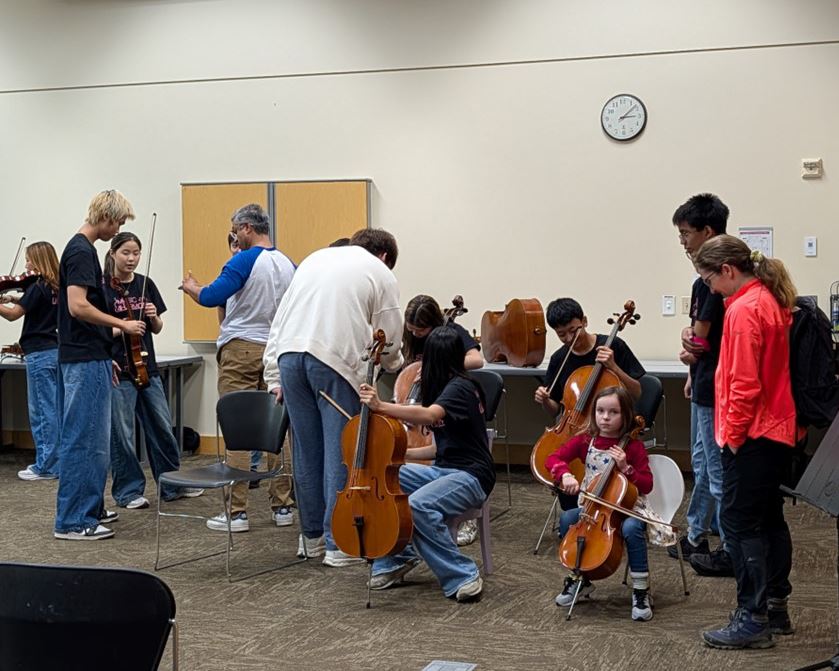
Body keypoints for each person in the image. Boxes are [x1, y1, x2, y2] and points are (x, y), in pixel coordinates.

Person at [263, 228, 403, 567]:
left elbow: (279, 322)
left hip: (289, 358)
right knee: (342, 452)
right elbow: (392, 337)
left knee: (306, 451)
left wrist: (273, 376)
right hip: (333, 361)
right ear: (384, 256)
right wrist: (394, 364)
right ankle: (338, 543)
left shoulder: (314, 258)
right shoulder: (379, 271)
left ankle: (310, 538)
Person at [695, 235, 798, 650]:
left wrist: (733, 439)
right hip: (776, 431)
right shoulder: (768, 300)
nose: (710, 290)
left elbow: (743, 384)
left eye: (709, 280)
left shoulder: (743, 309)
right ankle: (775, 607)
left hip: (752, 433)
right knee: (769, 518)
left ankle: (752, 619)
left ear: (728, 271)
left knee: (738, 524)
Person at [181, 203, 296, 532]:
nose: (234, 236)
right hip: (276, 350)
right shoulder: (288, 263)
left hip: (241, 350)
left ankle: (237, 513)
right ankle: (283, 507)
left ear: (247, 228)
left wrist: (192, 289)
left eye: (235, 230)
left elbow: (211, 296)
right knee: (279, 431)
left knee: (239, 431)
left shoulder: (243, 259)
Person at [359, 326, 494, 601]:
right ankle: (399, 557)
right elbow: (437, 448)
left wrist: (381, 406)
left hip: (472, 476)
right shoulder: (443, 387)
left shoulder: (462, 387)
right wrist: (399, 455)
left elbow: (430, 416)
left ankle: (462, 574)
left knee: (416, 505)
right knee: (386, 477)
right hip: (444, 470)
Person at [54, 189, 146, 541]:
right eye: (118, 222)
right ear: (106, 217)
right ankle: (74, 520)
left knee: (94, 440)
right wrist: (122, 324)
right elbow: (77, 306)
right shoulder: (80, 251)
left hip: (92, 356)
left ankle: (88, 507)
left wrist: (106, 354)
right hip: (83, 358)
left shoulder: (84, 250)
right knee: (84, 439)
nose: (118, 228)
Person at [103, 232, 203, 509]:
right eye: (126, 252)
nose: (132, 258)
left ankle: (172, 485)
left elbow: (157, 328)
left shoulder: (145, 285)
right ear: (113, 253)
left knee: (161, 428)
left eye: (136, 253)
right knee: (122, 435)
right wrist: (123, 326)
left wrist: (153, 316)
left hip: (147, 368)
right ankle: (128, 491)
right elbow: (96, 330)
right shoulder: (102, 288)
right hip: (118, 370)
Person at [547, 386, 655, 621]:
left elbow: (647, 485)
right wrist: (564, 474)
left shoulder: (633, 447)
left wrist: (627, 468)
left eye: (613, 412)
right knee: (567, 519)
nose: (605, 417)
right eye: (600, 411)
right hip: (593, 509)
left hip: (627, 509)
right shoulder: (586, 441)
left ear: (625, 415)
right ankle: (580, 579)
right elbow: (553, 458)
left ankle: (641, 590)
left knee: (631, 528)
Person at [669, 193, 733, 577]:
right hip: (706, 380)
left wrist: (689, 341)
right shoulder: (722, 276)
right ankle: (696, 535)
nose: (683, 242)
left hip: (716, 386)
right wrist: (692, 370)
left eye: (686, 233)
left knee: (716, 467)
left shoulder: (710, 281)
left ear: (708, 231)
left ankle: (729, 546)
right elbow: (697, 346)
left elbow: (698, 341)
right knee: (704, 463)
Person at [534, 297, 645, 508]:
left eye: (573, 330)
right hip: (576, 431)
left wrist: (613, 367)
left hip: (610, 432)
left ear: (584, 321)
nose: (569, 338)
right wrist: (545, 400)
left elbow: (637, 392)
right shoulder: (559, 358)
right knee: (564, 465)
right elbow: (555, 410)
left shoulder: (613, 346)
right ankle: (572, 521)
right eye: (561, 334)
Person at [401, 293, 483, 545]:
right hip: (427, 399)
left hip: (447, 400)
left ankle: (462, 515)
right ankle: (399, 544)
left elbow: (477, 359)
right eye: (411, 330)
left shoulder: (453, 333)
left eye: (421, 330)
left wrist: (438, 366)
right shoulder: (413, 338)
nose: (416, 335)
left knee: (455, 448)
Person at [0, 242, 60, 481]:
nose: (26, 265)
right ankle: (56, 462)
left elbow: (14, 315)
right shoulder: (55, 287)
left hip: (38, 353)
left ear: (38, 260)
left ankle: (45, 466)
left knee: (42, 411)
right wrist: (15, 297)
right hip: (55, 350)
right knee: (54, 408)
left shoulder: (37, 286)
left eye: (29, 260)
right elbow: (31, 303)